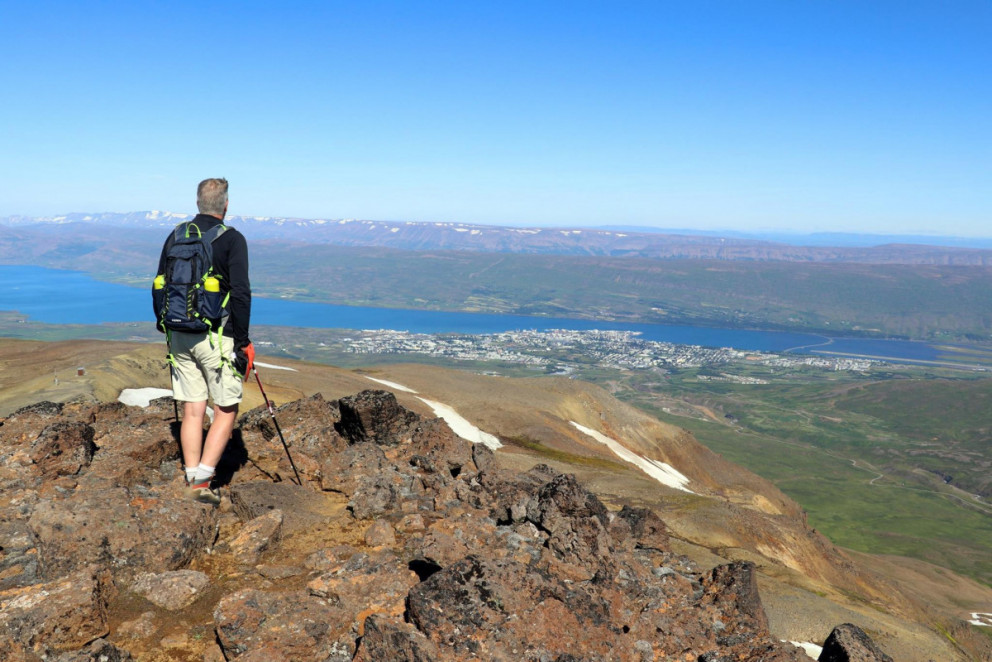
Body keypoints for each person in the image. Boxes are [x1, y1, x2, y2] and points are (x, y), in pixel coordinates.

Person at [156, 178, 254, 504]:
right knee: (225, 409)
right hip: (216, 337)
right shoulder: (232, 239)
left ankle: (191, 475)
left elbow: (161, 283)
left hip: (178, 334)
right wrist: (242, 342)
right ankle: (201, 484)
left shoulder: (177, 235)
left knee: (193, 409)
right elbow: (240, 293)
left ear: (198, 203)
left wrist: (167, 327)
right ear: (225, 205)